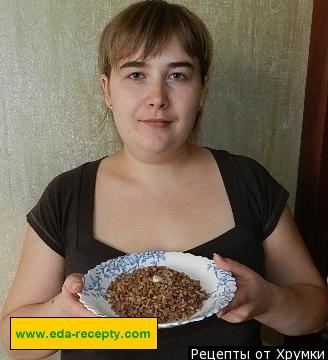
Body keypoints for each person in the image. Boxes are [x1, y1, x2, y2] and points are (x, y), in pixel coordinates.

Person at [1, 1, 327, 359]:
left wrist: (268, 301)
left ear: (202, 90)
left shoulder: (248, 182)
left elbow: (315, 312)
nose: (157, 98)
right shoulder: (67, 195)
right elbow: (14, 342)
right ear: (108, 90)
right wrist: (66, 319)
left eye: (178, 75)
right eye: (136, 74)